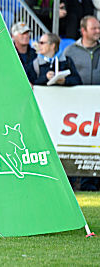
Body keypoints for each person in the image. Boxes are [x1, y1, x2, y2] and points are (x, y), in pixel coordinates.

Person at [63, 16, 100, 191]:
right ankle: (76, 181)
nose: (98, 31)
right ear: (83, 30)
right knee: (77, 144)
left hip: (97, 107)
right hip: (76, 108)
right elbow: (64, 74)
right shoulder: (70, 51)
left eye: (98, 28)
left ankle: (92, 183)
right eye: (94, 28)